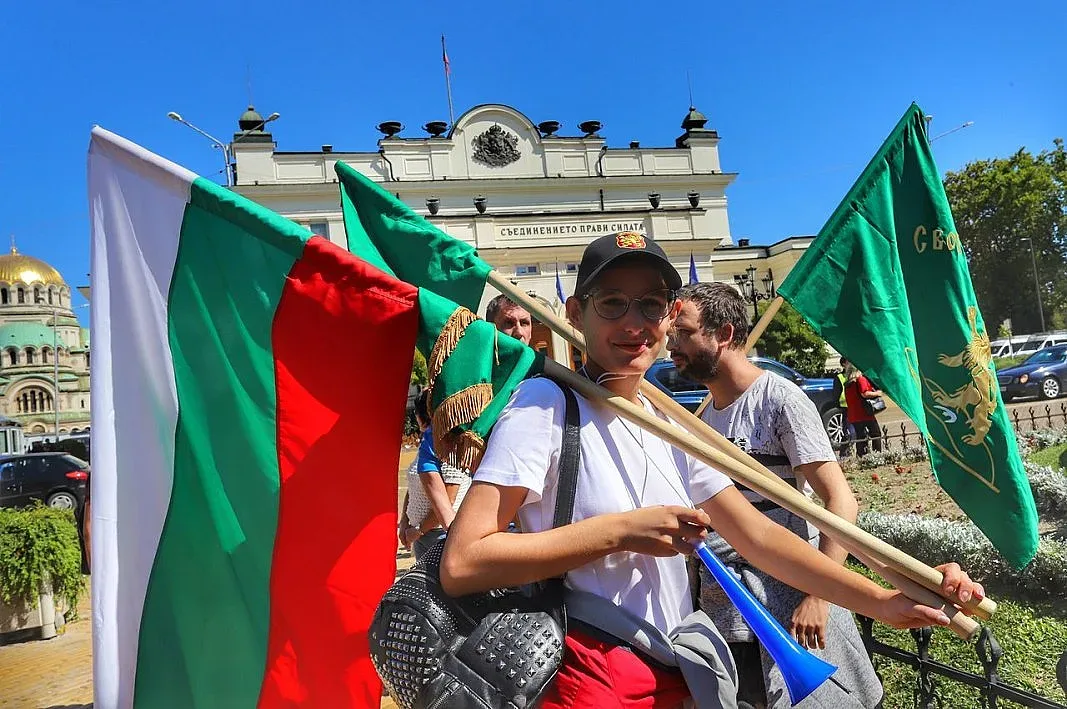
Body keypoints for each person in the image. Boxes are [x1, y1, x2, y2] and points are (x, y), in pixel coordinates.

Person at [441, 232, 982, 708]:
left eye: (651, 306)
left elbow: (762, 538)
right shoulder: (546, 404)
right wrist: (621, 532)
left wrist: (887, 602)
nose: (634, 323)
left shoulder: (663, 420)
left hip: (671, 672)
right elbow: (464, 562)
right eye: (612, 304)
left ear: (670, 317)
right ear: (575, 312)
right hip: (585, 676)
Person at [669, 282, 880, 708]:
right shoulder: (701, 418)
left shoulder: (780, 399)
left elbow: (841, 500)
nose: (672, 344)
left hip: (792, 610)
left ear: (724, 334)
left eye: (685, 333)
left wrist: (820, 594)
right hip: (728, 618)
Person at [398, 390, 471, 561]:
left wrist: (418, 530)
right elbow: (414, 485)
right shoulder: (427, 443)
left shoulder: (450, 445)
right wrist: (405, 521)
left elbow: (449, 500)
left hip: (441, 534)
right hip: (421, 534)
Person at [845, 365, 884, 457]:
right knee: (876, 434)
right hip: (864, 413)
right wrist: (877, 393)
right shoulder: (860, 379)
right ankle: (877, 455)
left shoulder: (848, 384)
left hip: (853, 414)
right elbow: (865, 393)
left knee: (861, 437)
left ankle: (861, 456)